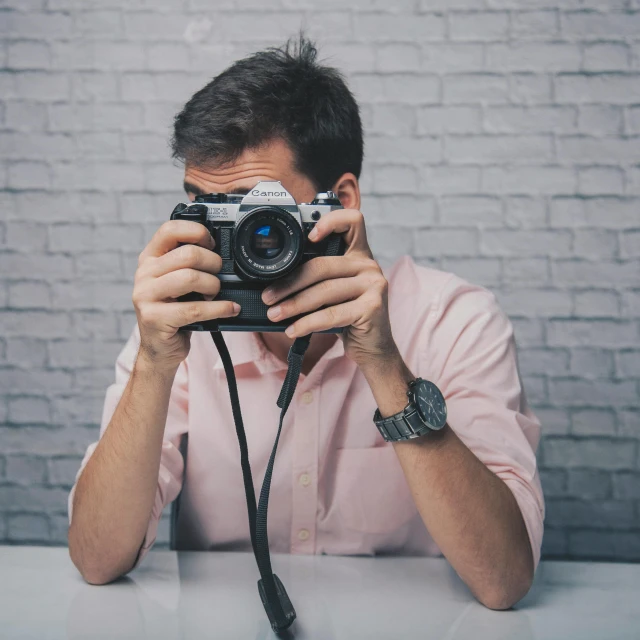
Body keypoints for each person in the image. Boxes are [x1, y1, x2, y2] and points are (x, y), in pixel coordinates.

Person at [67, 36, 544, 610]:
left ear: (339, 200)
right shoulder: (178, 325)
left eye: (256, 213)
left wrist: (386, 367)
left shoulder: (455, 321)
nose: (238, 242)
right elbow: (97, 560)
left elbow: (504, 579)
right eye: (206, 211)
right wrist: (152, 363)